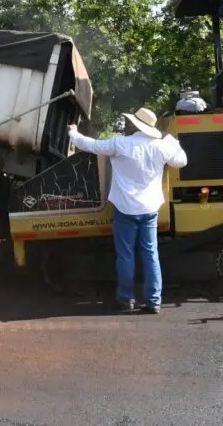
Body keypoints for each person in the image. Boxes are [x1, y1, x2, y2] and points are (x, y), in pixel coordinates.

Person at [68, 108, 187, 314]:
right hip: (149, 209)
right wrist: (172, 141)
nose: (125, 125)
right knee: (151, 255)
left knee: (125, 255)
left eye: (128, 122)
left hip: (124, 210)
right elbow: (182, 160)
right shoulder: (160, 147)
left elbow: (89, 145)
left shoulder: (120, 143)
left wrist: (73, 132)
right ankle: (154, 301)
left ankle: (126, 299)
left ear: (134, 126)